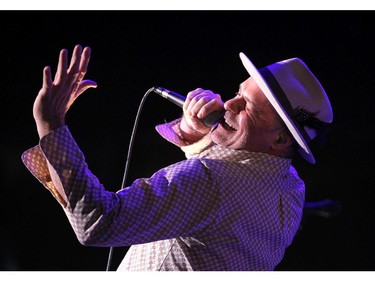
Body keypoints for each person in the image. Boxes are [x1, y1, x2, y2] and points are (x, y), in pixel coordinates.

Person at [22, 44, 333, 271]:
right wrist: (195, 132)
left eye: (247, 106)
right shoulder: (290, 189)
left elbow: (98, 223)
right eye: (238, 91)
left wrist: (50, 123)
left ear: (280, 138)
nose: (228, 104)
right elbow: (232, 182)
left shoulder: (211, 182)